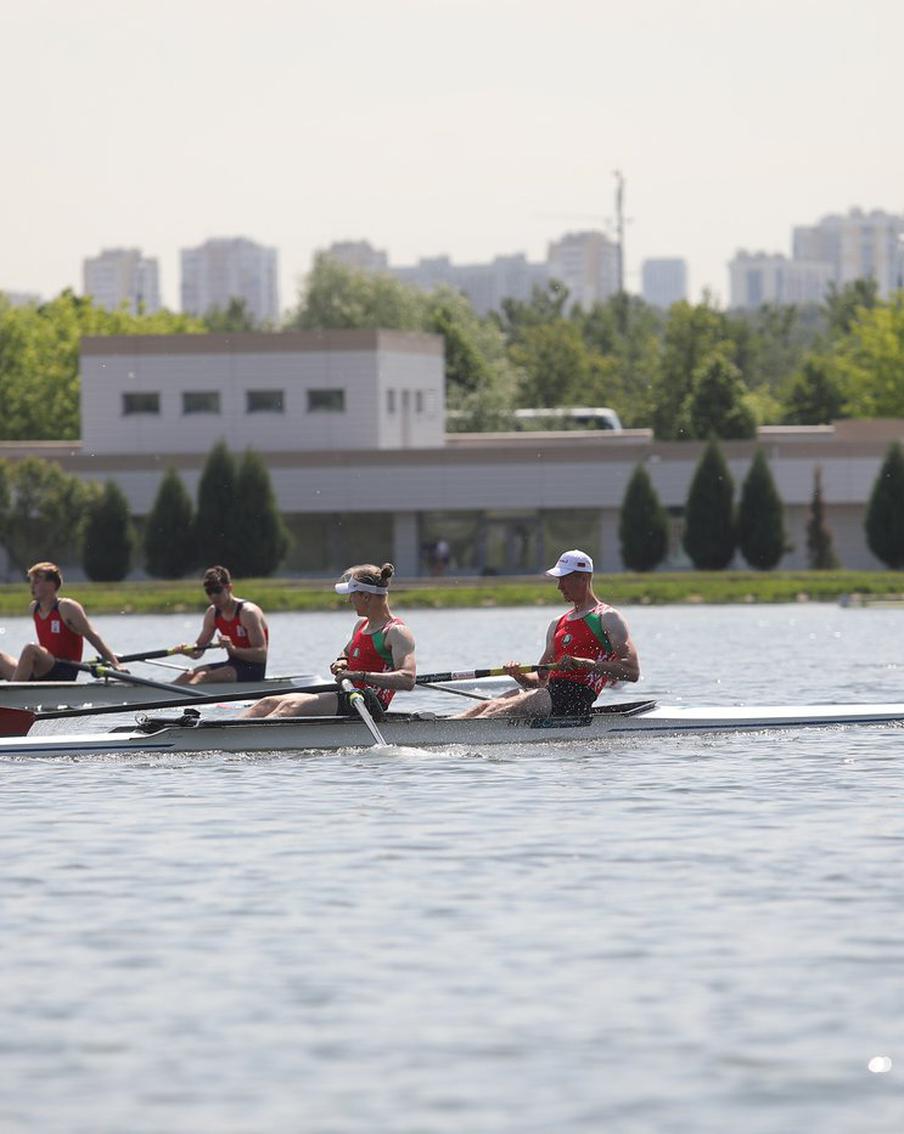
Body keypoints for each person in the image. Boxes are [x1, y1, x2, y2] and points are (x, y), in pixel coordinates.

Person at [456, 549, 640, 719]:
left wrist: (584, 664)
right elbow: (541, 680)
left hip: (575, 699)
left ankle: (463, 733)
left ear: (583, 578)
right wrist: (519, 675)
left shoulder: (607, 617)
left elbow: (632, 671)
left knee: (494, 713)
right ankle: (443, 728)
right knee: (491, 704)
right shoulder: (557, 623)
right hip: (550, 694)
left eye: (564, 579)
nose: (559, 586)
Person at [242, 562, 415, 719]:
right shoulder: (362, 625)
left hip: (368, 701)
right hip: (348, 692)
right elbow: (347, 651)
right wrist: (341, 660)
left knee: (289, 707)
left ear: (366, 597)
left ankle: (252, 744)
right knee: (266, 703)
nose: (349, 600)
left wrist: (358, 675)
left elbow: (407, 679)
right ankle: (229, 737)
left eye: (352, 594)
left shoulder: (396, 632)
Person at [0, 561, 120, 683]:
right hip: (43, 669)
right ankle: (13, 690)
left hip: (64, 670)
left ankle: (14, 694)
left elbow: (92, 636)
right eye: (31, 582)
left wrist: (115, 663)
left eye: (36, 582)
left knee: (30, 649)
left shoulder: (67, 608)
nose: (31, 586)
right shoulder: (33, 608)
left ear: (51, 585)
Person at [174, 565, 269, 685]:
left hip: (254, 669)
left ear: (229, 588)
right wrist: (187, 650)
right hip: (232, 665)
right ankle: (162, 699)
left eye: (217, 590)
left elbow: (261, 655)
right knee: (188, 676)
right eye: (209, 592)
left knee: (202, 677)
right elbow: (198, 651)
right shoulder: (212, 613)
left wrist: (233, 649)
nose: (213, 596)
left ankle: (183, 701)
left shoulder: (247, 613)